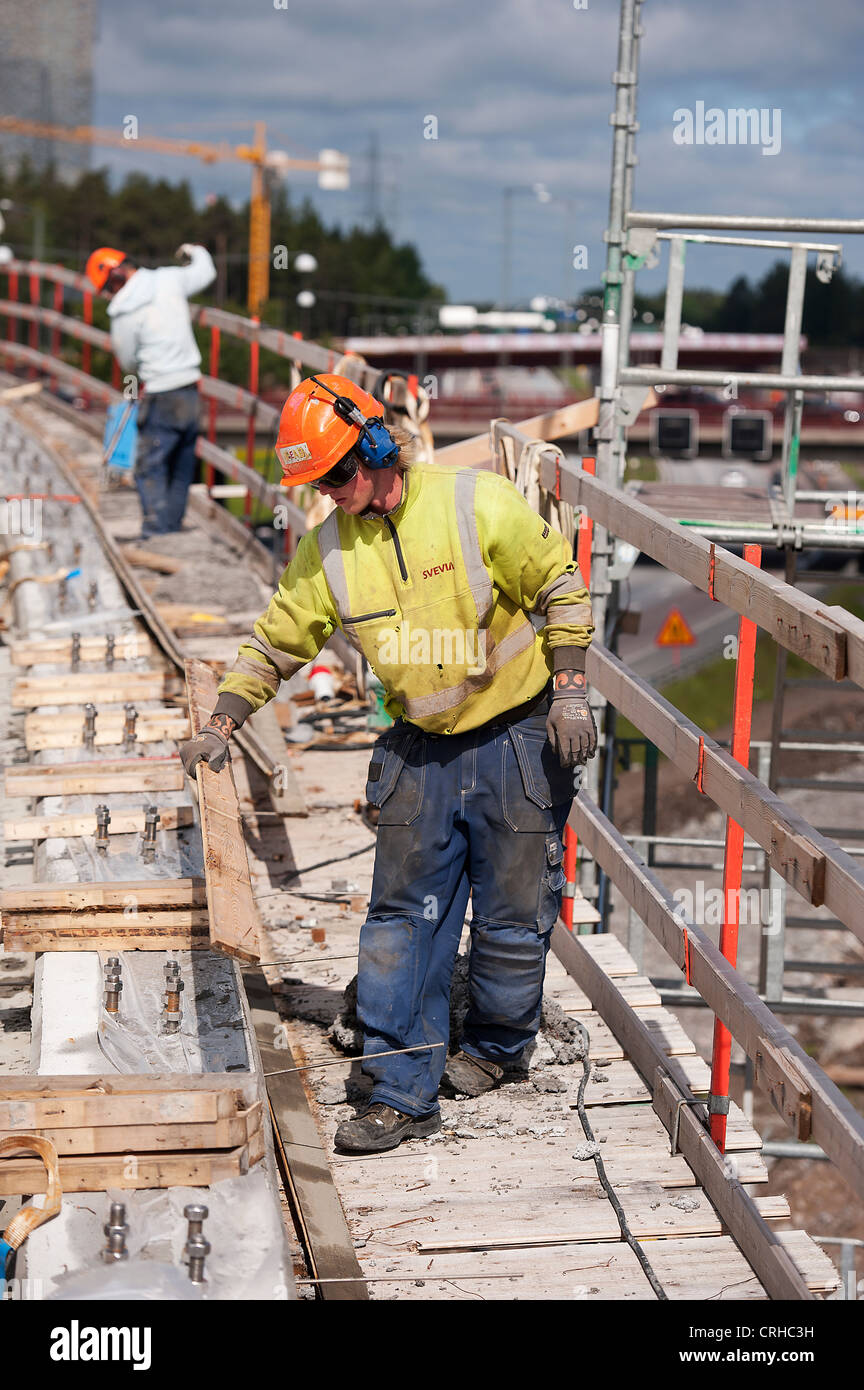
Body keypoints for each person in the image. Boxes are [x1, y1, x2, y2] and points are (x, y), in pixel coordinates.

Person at [179, 373, 597, 1154]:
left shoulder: (477, 504)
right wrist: (223, 720)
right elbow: (278, 640)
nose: (330, 493)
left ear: (376, 449)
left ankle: (498, 1050)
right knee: (401, 928)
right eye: (316, 483)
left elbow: (561, 588)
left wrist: (571, 693)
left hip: (516, 737)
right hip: (419, 751)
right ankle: (401, 1088)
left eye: (338, 475)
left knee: (511, 920)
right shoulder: (330, 548)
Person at [85, 243, 216, 540]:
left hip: (160, 394)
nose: (108, 296)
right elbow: (205, 271)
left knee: (150, 467)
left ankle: (157, 531)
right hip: (190, 390)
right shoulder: (168, 279)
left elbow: (129, 361)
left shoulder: (123, 313)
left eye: (106, 289)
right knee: (182, 462)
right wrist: (194, 251)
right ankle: (172, 526)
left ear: (114, 280)